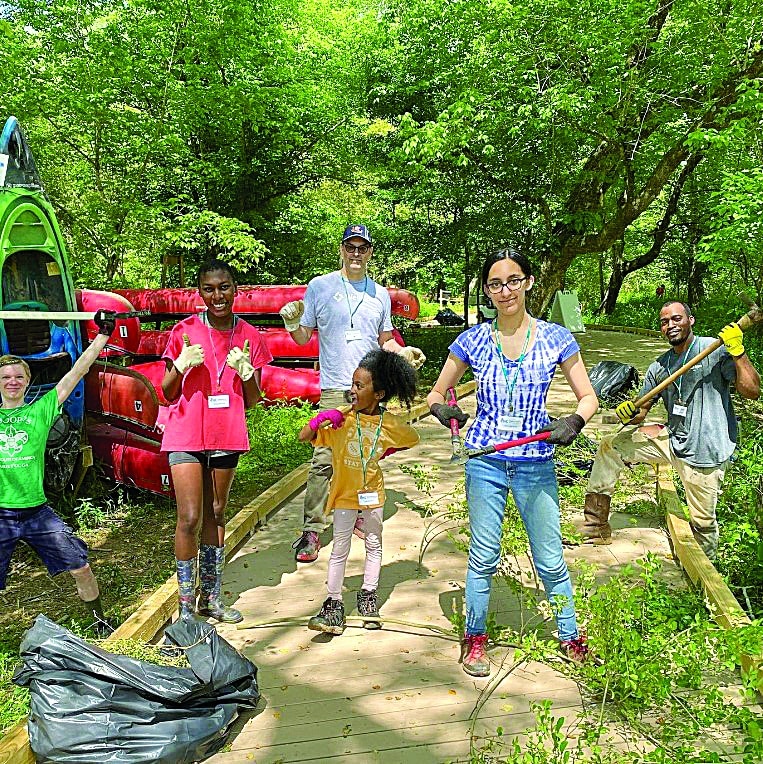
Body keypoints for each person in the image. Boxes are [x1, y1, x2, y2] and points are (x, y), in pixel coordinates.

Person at [426, 247, 598, 677]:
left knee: (551, 557)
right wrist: (443, 411)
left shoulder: (557, 338)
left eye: (514, 280)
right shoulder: (473, 340)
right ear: (487, 291)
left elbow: (589, 397)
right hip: (485, 461)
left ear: (528, 283)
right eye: (496, 284)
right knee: (482, 555)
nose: (506, 291)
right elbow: (434, 394)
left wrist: (575, 421)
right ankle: (475, 638)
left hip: (536, 461)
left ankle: (569, 636)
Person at [280, 224, 426, 563]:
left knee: (366, 453)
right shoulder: (320, 287)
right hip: (336, 386)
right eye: (351, 247)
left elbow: (385, 340)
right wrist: (292, 323)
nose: (356, 253)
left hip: (372, 388)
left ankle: (359, 511)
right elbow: (303, 338)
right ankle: (312, 529)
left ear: (370, 252)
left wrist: (402, 354)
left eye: (363, 248)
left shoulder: (380, 295)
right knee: (323, 460)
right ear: (342, 249)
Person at [582, 301, 760, 558]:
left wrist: (738, 352)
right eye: (664, 322)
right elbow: (641, 411)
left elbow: (752, 391)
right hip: (672, 440)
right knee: (611, 445)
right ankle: (595, 525)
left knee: (703, 522)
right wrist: (630, 413)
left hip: (705, 451)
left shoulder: (714, 350)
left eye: (676, 319)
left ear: (691, 320)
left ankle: (704, 579)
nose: (670, 326)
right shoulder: (660, 366)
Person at [161, 259, 272, 623]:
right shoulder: (185, 331)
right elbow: (165, 392)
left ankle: (210, 598)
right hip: (186, 432)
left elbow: (254, 399)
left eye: (224, 286)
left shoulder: (250, 335)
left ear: (235, 288)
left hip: (226, 432)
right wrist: (180, 365)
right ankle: (185, 607)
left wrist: (247, 373)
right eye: (209, 289)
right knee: (189, 516)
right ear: (200, 293)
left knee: (217, 513)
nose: (217, 295)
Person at [0, 310, 118, 636]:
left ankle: (101, 622)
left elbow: (77, 371)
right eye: (6, 377)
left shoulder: (41, 410)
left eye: (18, 376)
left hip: (37, 512)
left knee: (81, 566)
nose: (12, 381)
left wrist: (104, 333)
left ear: (27, 381)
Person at [299, 349, 419, 634]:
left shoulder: (387, 423)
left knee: (374, 544)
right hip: (344, 495)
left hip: (373, 495)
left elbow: (412, 437)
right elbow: (304, 437)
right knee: (340, 547)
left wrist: (386, 450)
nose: (352, 391)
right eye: (352, 384)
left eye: (359, 386)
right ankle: (333, 603)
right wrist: (319, 421)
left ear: (378, 394)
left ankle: (368, 595)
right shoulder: (342, 419)